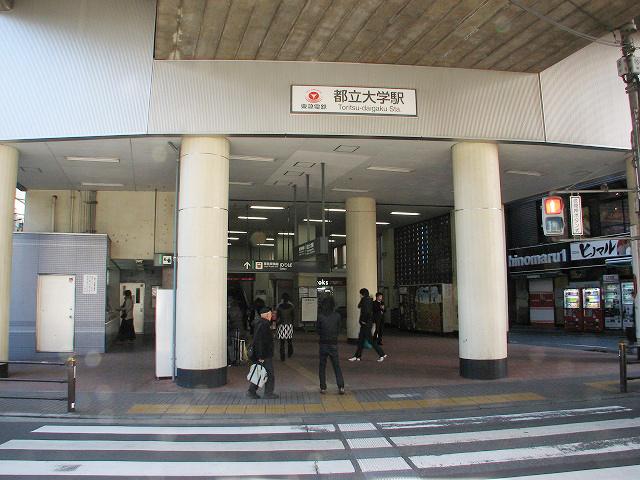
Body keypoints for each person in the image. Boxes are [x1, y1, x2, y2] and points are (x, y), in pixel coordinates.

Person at [247, 306, 278, 399]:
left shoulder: (260, 323)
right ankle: (268, 393)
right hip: (264, 354)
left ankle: (252, 391)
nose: (271, 315)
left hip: (261, 354)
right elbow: (260, 341)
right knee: (269, 374)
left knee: (259, 372)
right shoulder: (264, 325)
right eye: (270, 313)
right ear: (267, 314)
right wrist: (261, 356)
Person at [348, 288, 387, 362]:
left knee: (370, 340)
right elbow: (360, 306)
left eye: (360, 294)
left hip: (366, 324)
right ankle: (357, 356)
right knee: (361, 340)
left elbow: (366, 312)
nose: (359, 296)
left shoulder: (365, 300)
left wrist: (363, 321)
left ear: (362, 294)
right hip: (367, 324)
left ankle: (382, 354)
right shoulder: (369, 300)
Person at [316, 296, 345, 395]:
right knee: (336, 365)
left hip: (323, 343)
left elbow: (318, 330)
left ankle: (323, 387)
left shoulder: (320, 316)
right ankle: (341, 386)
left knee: (322, 366)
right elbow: (339, 329)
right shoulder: (337, 315)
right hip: (333, 343)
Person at [276, 293, 295, 361]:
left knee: (282, 342)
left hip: (281, 326)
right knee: (289, 341)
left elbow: (277, 317)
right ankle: (290, 353)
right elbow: (293, 317)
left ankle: (282, 356)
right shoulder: (291, 307)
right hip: (289, 325)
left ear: (282, 299)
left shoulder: (279, 307)